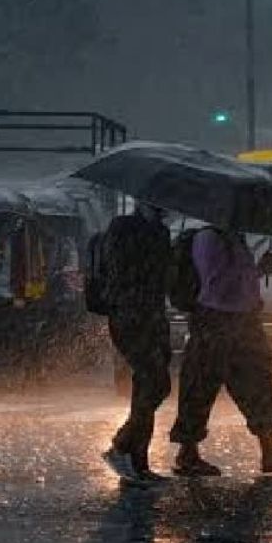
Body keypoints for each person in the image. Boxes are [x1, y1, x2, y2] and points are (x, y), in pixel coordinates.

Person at [170, 226, 272, 476]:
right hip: (216, 321)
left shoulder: (236, 237)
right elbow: (216, 283)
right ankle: (187, 453)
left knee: (257, 384)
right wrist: (250, 272)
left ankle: (271, 452)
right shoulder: (209, 239)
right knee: (200, 386)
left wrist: (258, 270)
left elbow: (236, 281)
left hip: (244, 320)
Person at [99, 202, 173, 483]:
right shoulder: (122, 227)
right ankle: (121, 446)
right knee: (155, 382)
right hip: (130, 315)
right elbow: (121, 268)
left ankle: (138, 462)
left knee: (149, 386)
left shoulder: (162, 232)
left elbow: (164, 277)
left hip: (154, 315)